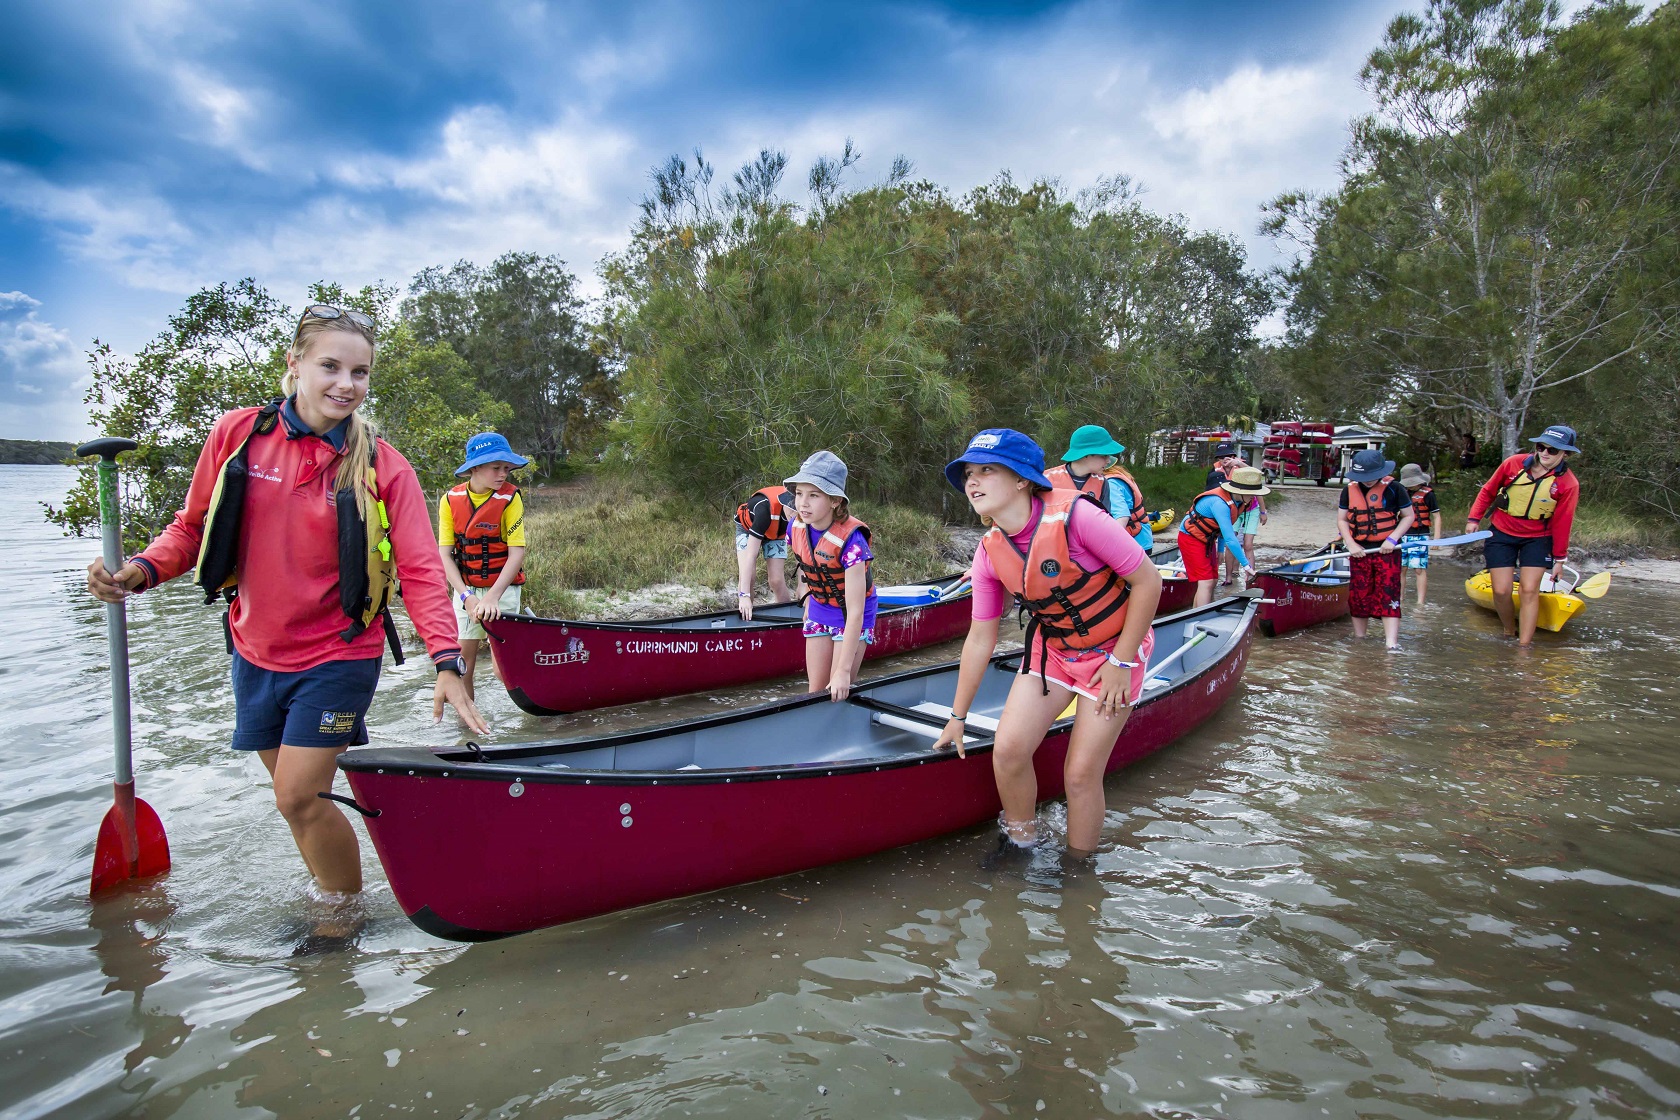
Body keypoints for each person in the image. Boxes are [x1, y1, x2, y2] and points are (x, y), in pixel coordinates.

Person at [85, 303, 487, 913]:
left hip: (339, 655)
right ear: (295, 365)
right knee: (303, 798)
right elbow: (192, 528)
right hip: (254, 651)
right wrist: (139, 570)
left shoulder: (383, 465)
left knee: (297, 797)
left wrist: (446, 661)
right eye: (330, 366)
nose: (345, 385)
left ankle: (341, 919)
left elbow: (421, 570)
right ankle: (338, 892)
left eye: (360, 372)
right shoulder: (237, 435)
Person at [933, 430, 1162, 861]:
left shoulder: (1078, 518)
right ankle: (1021, 842)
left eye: (987, 470)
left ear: (1022, 479)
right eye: (968, 474)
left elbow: (1149, 580)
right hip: (1053, 651)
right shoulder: (988, 550)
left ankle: (1079, 870)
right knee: (1009, 750)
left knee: (1078, 775)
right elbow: (980, 637)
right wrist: (957, 717)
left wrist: (1120, 661)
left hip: (1114, 652)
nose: (973, 482)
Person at [1465, 424, 1581, 646]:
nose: (1545, 453)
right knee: (1501, 590)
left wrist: (1559, 560)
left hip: (1538, 538)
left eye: (1553, 450)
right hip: (1501, 532)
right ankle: (1509, 630)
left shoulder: (1568, 483)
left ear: (1565, 454)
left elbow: (1563, 522)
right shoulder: (1514, 464)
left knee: (1529, 590)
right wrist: (1473, 519)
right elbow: (1488, 490)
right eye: (1541, 447)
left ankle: (1524, 647)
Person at [438, 432, 530, 700]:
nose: (503, 474)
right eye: (496, 467)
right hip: (465, 590)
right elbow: (445, 554)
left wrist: (492, 597)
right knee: (462, 667)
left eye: (507, 468)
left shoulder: (510, 499)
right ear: (475, 468)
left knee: (504, 669)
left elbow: (517, 553)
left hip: (502, 590)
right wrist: (466, 597)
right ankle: (467, 726)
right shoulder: (449, 500)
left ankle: (535, 713)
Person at [785, 451, 877, 702]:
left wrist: (843, 672)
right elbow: (806, 565)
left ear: (835, 500)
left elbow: (856, 611)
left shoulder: (853, 542)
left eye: (813, 495)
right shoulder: (795, 527)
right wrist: (806, 598)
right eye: (799, 493)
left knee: (837, 689)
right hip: (820, 607)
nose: (803, 503)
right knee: (815, 691)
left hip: (851, 614)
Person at [1337, 448, 1415, 649]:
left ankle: (1391, 643)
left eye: (1372, 476)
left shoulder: (1395, 488)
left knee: (1388, 594)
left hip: (1387, 550)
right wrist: (1351, 544)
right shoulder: (1349, 490)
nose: (1368, 480)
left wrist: (1393, 539)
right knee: (1359, 595)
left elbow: (1408, 516)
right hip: (1359, 551)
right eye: (1364, 476)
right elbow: (1342, 520)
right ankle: (1360, 639)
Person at [1044, 424, 1153, 550]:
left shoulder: (1102, 482)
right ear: (1086, 455)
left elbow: (1104, 525)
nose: (1108, 461)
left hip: (1086, 551)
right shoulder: (1047, 479)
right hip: (1053, 550)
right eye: (1104, 455)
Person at [1177, 466, 1267, 606]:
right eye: (1251, 494)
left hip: (1208, 539)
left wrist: (1219, 551)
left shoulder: (1237, 502)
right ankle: (1199, 619)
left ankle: (1196, 613)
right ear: (1241, 491)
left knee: (1212, 579)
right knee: (1205, 582)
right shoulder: (1220, 503)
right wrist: (1246, 565)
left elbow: (1221, 529)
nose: (1253, 497)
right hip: (1191, 538)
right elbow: (1231, 538)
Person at [734, 484, 795, 620]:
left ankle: (788, 619)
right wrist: (744, 595)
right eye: (792, 509)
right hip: (748, 528)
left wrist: (803, 586)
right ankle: (746, 616)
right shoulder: (764, 510)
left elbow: (803, 553)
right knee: (749, 577)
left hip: (775, 533)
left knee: (776, 580)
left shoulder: (800, 516)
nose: (794, 514)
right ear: (785, 503)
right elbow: (751, 555)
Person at [1398, 462, 1441, 605]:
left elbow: (1437, 516)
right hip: (1402, 535)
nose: (1410, 486)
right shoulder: (1402, 493)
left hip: (1420, 535)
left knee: (1418, 569)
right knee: (1401, 568)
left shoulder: (1428, 494)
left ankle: (1420, 603)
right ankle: (1400, 599)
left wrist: (1436, 539)